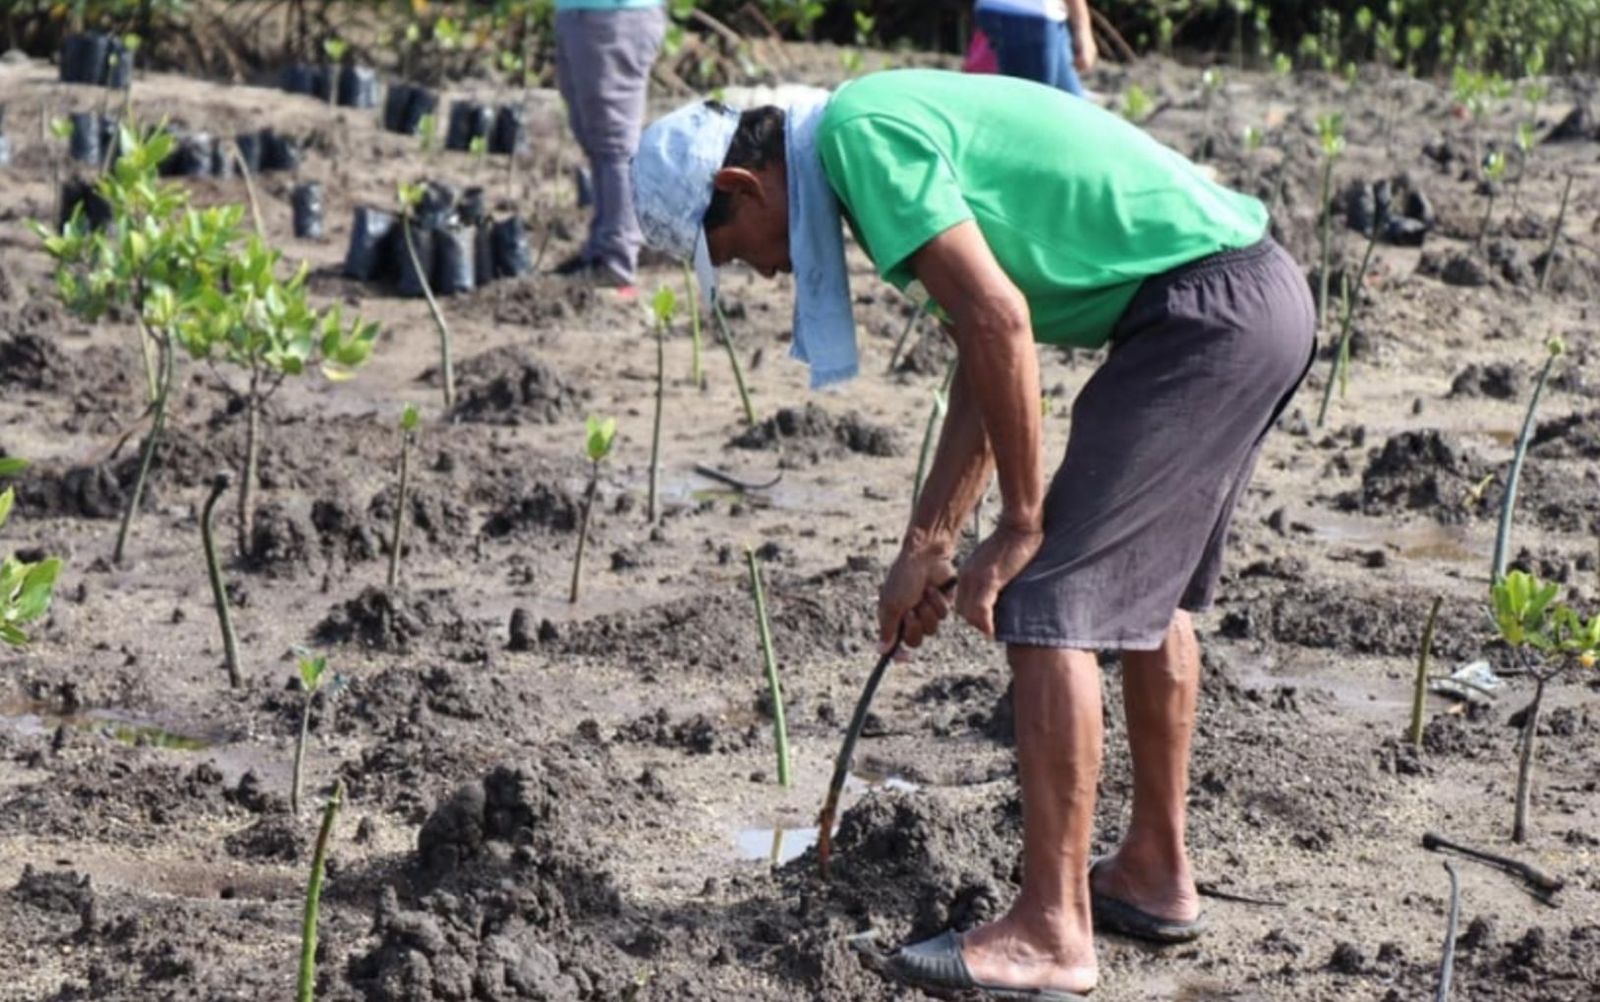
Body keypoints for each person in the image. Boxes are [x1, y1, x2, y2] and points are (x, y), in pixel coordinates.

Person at [631, 69, 1314, 999]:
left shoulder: (861, 139)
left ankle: (1052, 932)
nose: (760, 271)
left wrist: (1021, 526)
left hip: (1203, 315)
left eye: (734, 250)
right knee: (1141, 600)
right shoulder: (867, 135)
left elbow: (1003, 321)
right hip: (1242, 302)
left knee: (1048, 601)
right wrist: (930, 541)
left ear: (740, 189)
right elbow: (980, 354)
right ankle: (1153, 871)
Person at [551, 0, 666, 291]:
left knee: (614, 144)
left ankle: (616, 260)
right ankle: (600, 250)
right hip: (580, 15)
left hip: (615, 17)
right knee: (595, 139)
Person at [973, 0, 1097, 96]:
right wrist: (1083, 29)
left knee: (1071, 107)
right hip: (1031, 14)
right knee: (1036, 108)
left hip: (1001, 10)